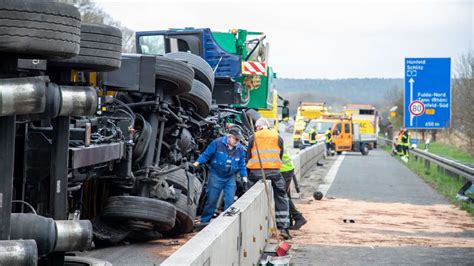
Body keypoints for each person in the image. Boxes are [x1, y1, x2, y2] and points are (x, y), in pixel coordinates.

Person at [246, 118, 291, 239]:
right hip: (274, 172)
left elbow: (248, 155)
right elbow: (280, 155)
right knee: (281, 197)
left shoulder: (253, 137)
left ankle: (251, 225)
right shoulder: (277, 136)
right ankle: (284, 228)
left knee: (249, 195)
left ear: (258, 127)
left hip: (256, 173)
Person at [193, 127, 248, 224]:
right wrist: (197, 162)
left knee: (230, 200)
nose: (237, 141)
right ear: (229, 137)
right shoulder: (217, 143)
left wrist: (244, 177)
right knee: (211, 200)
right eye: (236, 139)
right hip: (216, 175)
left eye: (239, 140)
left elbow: (242, 164)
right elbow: (206, 154)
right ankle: (205, 221)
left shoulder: (240, 149)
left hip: (230, 177)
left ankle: (226, 223)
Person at [280, 148, 307, 230]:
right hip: (286, 169)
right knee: (285, 195)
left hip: (284, 169)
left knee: (283, 196)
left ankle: (298, 218)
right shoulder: (274, 137)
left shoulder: (270, 139)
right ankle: (291, 220)